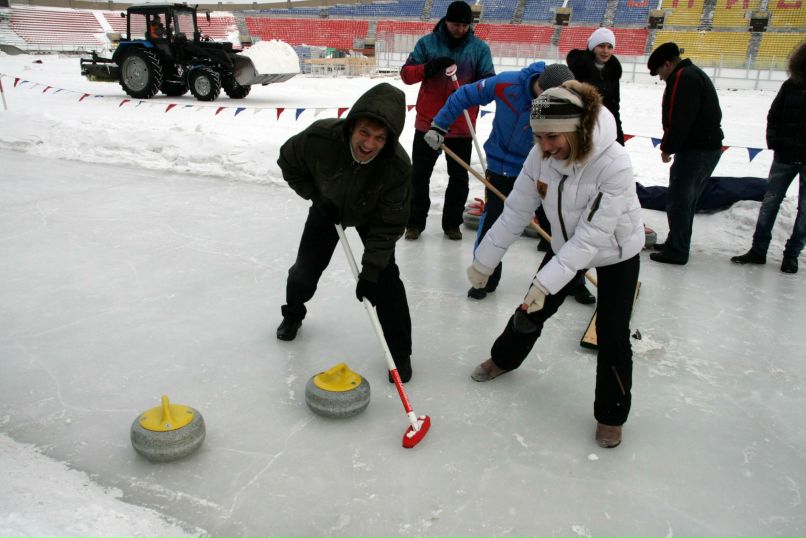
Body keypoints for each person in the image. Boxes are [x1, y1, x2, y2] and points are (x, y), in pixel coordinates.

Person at [466, 81, 644, 448]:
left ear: (576, 129)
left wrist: (544, 284)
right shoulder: (540, 156)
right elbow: (516, 211)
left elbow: (591, 238)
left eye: (552, 137)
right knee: (530, 310)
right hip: (565, 246)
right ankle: (503, 358)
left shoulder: (614, 163)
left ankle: (611, 414)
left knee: (612, 333)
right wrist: (484, 261)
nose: (544, 147)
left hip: (615, 251)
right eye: (538, 137)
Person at [425, 63, 598, 304]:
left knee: (559, 226)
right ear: (543, 89)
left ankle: (573, 282)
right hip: (500, 169)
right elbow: (464, 95)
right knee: (493, 222)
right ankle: (484, 277)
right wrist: (439, 125)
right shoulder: (507, 83)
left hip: (541, 170)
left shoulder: (564, 106)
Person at [275, 83, 414, 382]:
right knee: (304, 272)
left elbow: (389, 224)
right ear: (352, 126)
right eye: (364, 132)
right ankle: (293, 313)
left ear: (388, 140)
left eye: (379, 138)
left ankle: (399, 353)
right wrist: (316, 196)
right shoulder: (320, 138)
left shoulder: (397, 167)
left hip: (372, 214)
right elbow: (288, 160)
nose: (369, 144)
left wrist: (371, 272)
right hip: (328, 205)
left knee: (386, 282)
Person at [400, 0, 495, 241]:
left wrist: (471, 91)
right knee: (419, 176)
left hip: (461, 126)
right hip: (428, 123)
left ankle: (452, 224)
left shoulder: (479, 49)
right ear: (446, 21)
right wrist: (428, 68)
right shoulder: (427, 43)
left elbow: (488, 85)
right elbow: (406, 75)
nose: (460, 29)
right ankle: (414, 223)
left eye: (465, 25)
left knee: (459, 178)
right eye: (455, 25)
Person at [731, 41, 806, 275]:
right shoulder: (791, 86)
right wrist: (774, 142)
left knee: (805, 210)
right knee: (770, 202)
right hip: (784, 156)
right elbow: (774, 115)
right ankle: (758, 249)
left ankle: (792, 255)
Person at [647, 42, 724, 265]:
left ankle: (677, 250)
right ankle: (676, 243)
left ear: (667, 64)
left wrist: (667, 147)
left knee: (679, 200)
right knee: (685, 200)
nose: (660, 77)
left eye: (659, 72)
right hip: (703, 148)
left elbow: (679, 118)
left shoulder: (684, 78)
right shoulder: (691, 74)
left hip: (697, 150)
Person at [566, 27, 624, 145]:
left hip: (604, 131)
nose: (606, 51)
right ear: (593, 47)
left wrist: (619, 139)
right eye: (601, 46)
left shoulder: (613, 73)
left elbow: (614, 109)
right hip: (578, 131)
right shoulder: (578, 69)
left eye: (610, 47)